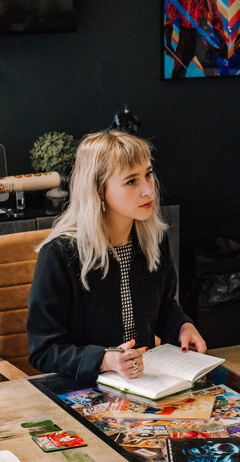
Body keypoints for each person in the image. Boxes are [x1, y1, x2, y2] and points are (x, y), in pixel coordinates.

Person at [28, 130, 206, 380]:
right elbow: (44, 351)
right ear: (99, 190)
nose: (147, 190)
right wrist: (104, 360)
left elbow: (164, 307)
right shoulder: (59, 254)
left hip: (146, 382)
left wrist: (182, 327)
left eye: (148, 174)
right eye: (131, 181)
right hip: (84, 387)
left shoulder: (154, 240)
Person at [164, 0, 227, 78]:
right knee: (212, 74)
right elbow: (216, 19)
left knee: (177, 76)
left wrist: (168, 42)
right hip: (201, 37)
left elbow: (170, 18)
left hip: (185, 38)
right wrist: (222, 44)